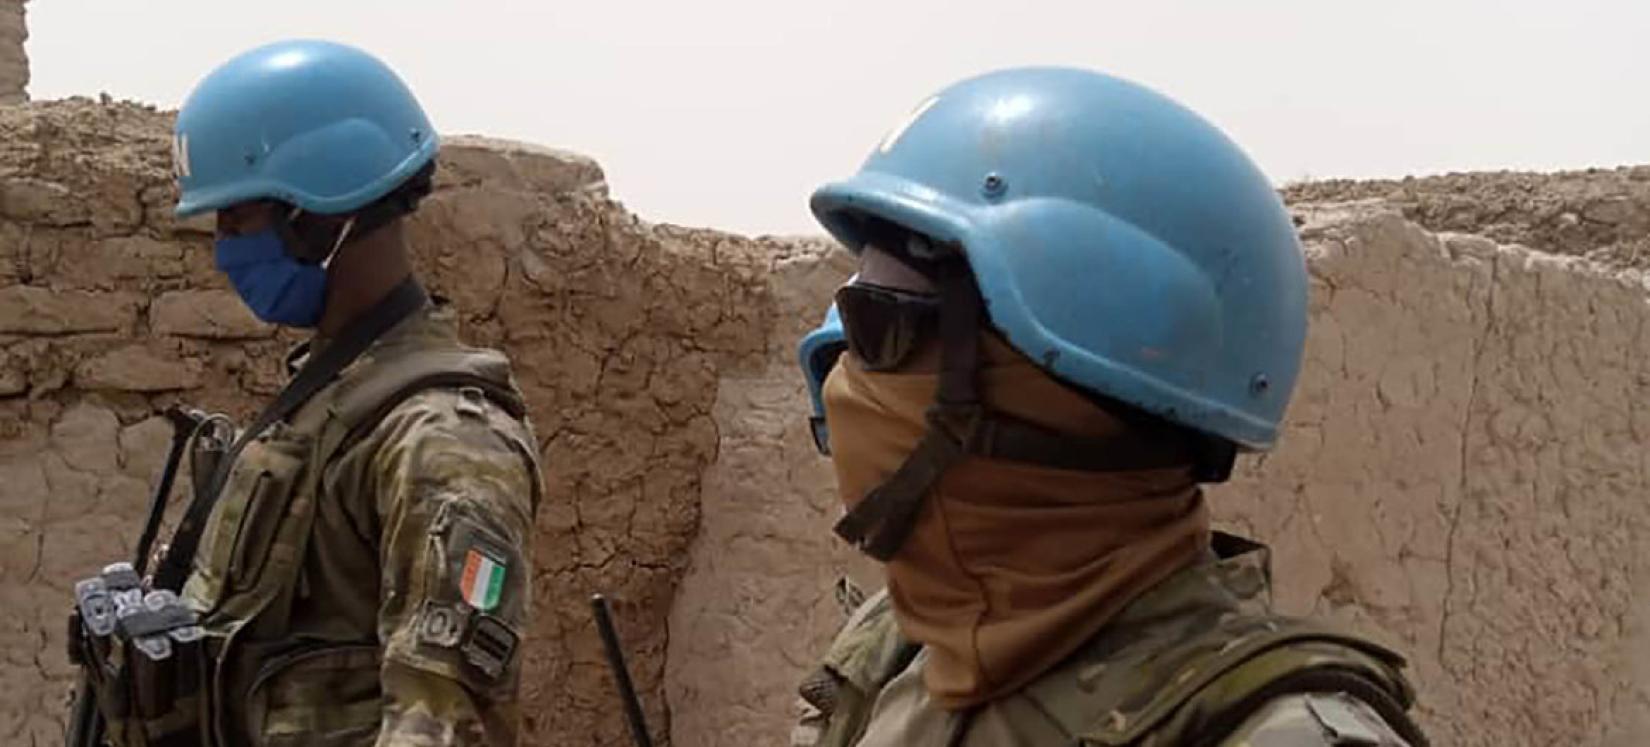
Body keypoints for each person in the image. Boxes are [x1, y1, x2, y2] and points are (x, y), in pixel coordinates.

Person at [789, 67, 1428, 746]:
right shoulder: (898, 655)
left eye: (876, 327)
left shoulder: (1275, 735)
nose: (840, 377)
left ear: (1059, 385)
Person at [99, 39, 541, 746]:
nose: (223, 249)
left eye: (237, 220)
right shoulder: (325, 400)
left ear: (318, 212)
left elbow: (443, 721)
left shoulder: (444, 438)